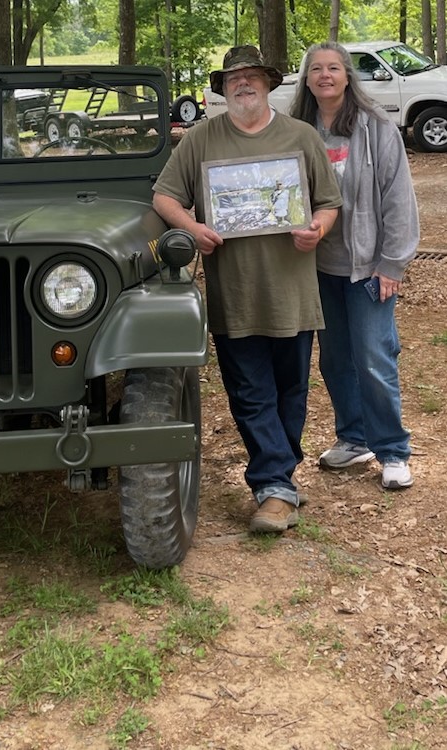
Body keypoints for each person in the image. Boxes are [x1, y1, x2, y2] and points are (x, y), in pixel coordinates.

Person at [152, 45, 342, 533]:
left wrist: (316, 230)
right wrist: (192, 228)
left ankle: (277, 477)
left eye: (252, 77)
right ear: (222, 88)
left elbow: (327, 203)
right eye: (234, 78)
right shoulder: (200, 139)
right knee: (249, 392)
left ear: (267, 83)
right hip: (233, 292)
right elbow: (164, 196)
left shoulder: (300, 136)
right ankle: (275, 487)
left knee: (291, 390)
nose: (243, 84)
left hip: (292, 293)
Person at [289, 41, 419, 489]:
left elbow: (399, 200)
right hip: (316, 267)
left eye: (333, 68)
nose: (325, 75)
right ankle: (354, 437)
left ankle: (393, 450)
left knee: (374, 357)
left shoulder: (376, 127)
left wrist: (392, 264)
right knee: (336, 360)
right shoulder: (296, 129)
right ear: (306, 79)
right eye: (316, 68)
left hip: (367, 267)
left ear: (347, 76)